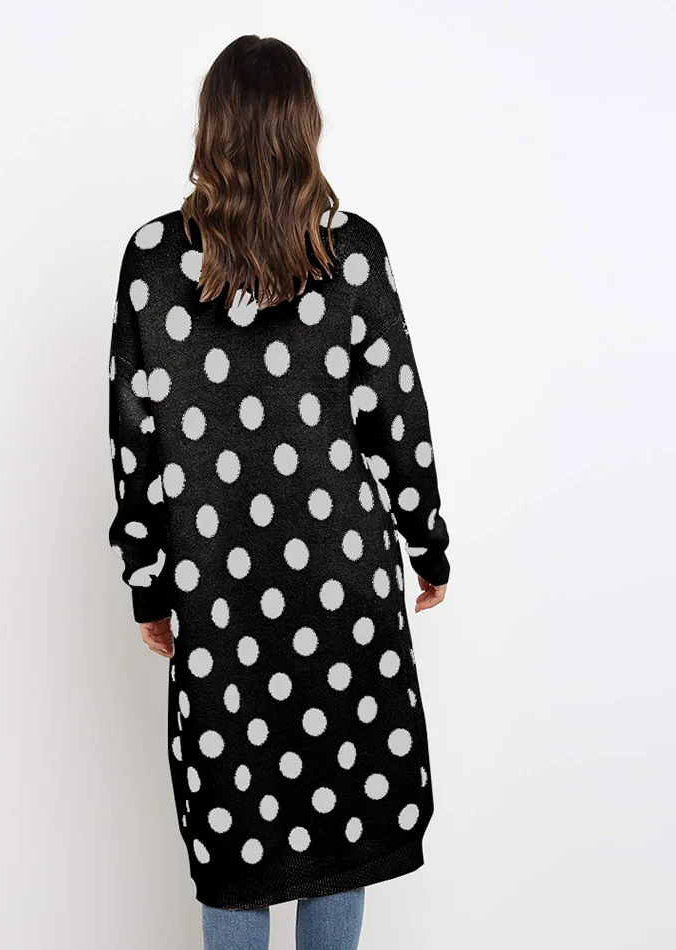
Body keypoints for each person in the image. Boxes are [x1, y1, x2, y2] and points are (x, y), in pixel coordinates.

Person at [106, 34, 451, 950]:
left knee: (236, 824)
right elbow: (396, 417)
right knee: (346, 815)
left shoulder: (152, 261)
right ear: (305, 128)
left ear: (210, 128)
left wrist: (150, 585)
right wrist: (428, 543)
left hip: (216, 591)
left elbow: (135, 443)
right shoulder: (352, 254)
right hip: (343, 588)